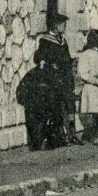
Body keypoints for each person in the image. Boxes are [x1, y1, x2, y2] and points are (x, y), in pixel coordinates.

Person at [33, 12, 79, 145]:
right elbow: (39, 58)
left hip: (66, 78)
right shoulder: (45, 40)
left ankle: (72, 134)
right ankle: (59, 137)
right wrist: (50, 65)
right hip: (53, 79)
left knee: (70, 106)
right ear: (55, 25)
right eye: (62, 24)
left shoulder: (63, 40)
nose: (64, 27)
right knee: (55, 108)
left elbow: (67, 57)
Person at [15, 59, 63, 150]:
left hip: (43, 107)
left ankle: (43, 143)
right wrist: (28, 102)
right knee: (35, 126)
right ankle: (38, 144)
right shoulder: (32, 74)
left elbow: (55, 91)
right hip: (35, 106)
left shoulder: (48, 74)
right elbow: (21, 90)